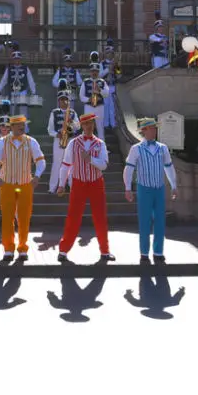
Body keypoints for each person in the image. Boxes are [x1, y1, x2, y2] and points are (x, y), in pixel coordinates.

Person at [57, 113, 114, 263]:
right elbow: (66, 165)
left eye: (91, 123)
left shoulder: (100, 144)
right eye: (86, 124)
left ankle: (105, 251)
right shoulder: (73, 143)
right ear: (82, 125)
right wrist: (61, 184)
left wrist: (90, 159)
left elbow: (104, 165)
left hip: (96, 183)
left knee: (100, 217)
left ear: (94, 125)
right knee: (73, 217)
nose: (89, 126)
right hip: (79, 183)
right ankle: (63, 251)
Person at [0, 114, 46, 261]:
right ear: (11, 127)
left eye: (23, 125)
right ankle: (8, 248)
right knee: (7, 217)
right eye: (19, 125)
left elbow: (41, 161)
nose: (22, 127)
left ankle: (22, 248)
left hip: (25, 184)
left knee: (24, 217)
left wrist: (37, 176)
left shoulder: (31, 141)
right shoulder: (1, 142)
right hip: (7, 184)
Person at [123, 118, 178, 263]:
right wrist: (127, 188)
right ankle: (144, 253)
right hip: (144, 188)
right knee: (145, 221)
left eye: (155, 128)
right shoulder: (136, 149)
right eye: (151, 128)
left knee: (160, 220)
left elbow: (168, 167)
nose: (154, 131)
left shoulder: (162, 148)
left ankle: (158, 252)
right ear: (144, 131)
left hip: (159, 188)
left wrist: (174, 185)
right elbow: (129, 168)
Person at [46, 89, 80, 193]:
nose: (64, 101)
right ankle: (52, 187)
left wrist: (72, 122)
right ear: (58, 101)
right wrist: (57, 134)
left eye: (66, 99)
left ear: (69, 101)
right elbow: (50, 129)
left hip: (70, 140)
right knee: (56, 163)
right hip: (59, 140)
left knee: (71, 163)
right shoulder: (54, 112)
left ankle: (72, 186)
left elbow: (78, 126)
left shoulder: (73, 112)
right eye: (62, 99)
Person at [0, 47, 36, 119]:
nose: (16, 60)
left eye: (18, 59)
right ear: (13, 60)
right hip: (12, 92)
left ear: (20, 59)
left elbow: (31, 80)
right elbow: (4, 80)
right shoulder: (9, 69)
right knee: (11, 110)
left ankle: (25, 125)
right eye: (15, 59)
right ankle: (11, 124)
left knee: (23, 111)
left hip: (22, 92)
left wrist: (34, 91)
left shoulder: (25, 68)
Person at [79, 54, 108, 138]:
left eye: (96, 71)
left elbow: (106, 94)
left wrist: (100, 90)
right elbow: (81, 96)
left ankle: (102, 145)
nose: (94, 73)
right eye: (93, 71)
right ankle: (87, 144)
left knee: (100, 128)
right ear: (90, 72)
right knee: (87, 127)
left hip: (100, 106)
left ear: (98, 71)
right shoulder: (86, 82)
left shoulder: (102, 82)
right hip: (89, 107)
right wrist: (89, 99)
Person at [100, 39, 119, 130]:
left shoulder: (116, 63)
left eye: (111, 53)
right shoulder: (102, 63)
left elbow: (119, 74)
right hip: (104, 86)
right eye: (108, 53)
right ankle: (106, 124)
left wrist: (116, 67)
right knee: (105, 106)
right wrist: (108, 69)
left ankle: (113, 124)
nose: (110, 55)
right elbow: (100, 75)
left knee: (113, 107)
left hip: (112, 86)